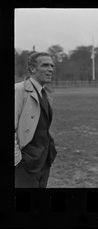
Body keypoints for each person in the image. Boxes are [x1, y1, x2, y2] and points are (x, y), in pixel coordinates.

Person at [15, 52, 57, 188]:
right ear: (33, 69)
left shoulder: (46, 93)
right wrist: (17, 160)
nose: (50, 69)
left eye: (52, 65)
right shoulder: (19, 90)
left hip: (44, 161)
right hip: (25, 164)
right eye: (45, 65)